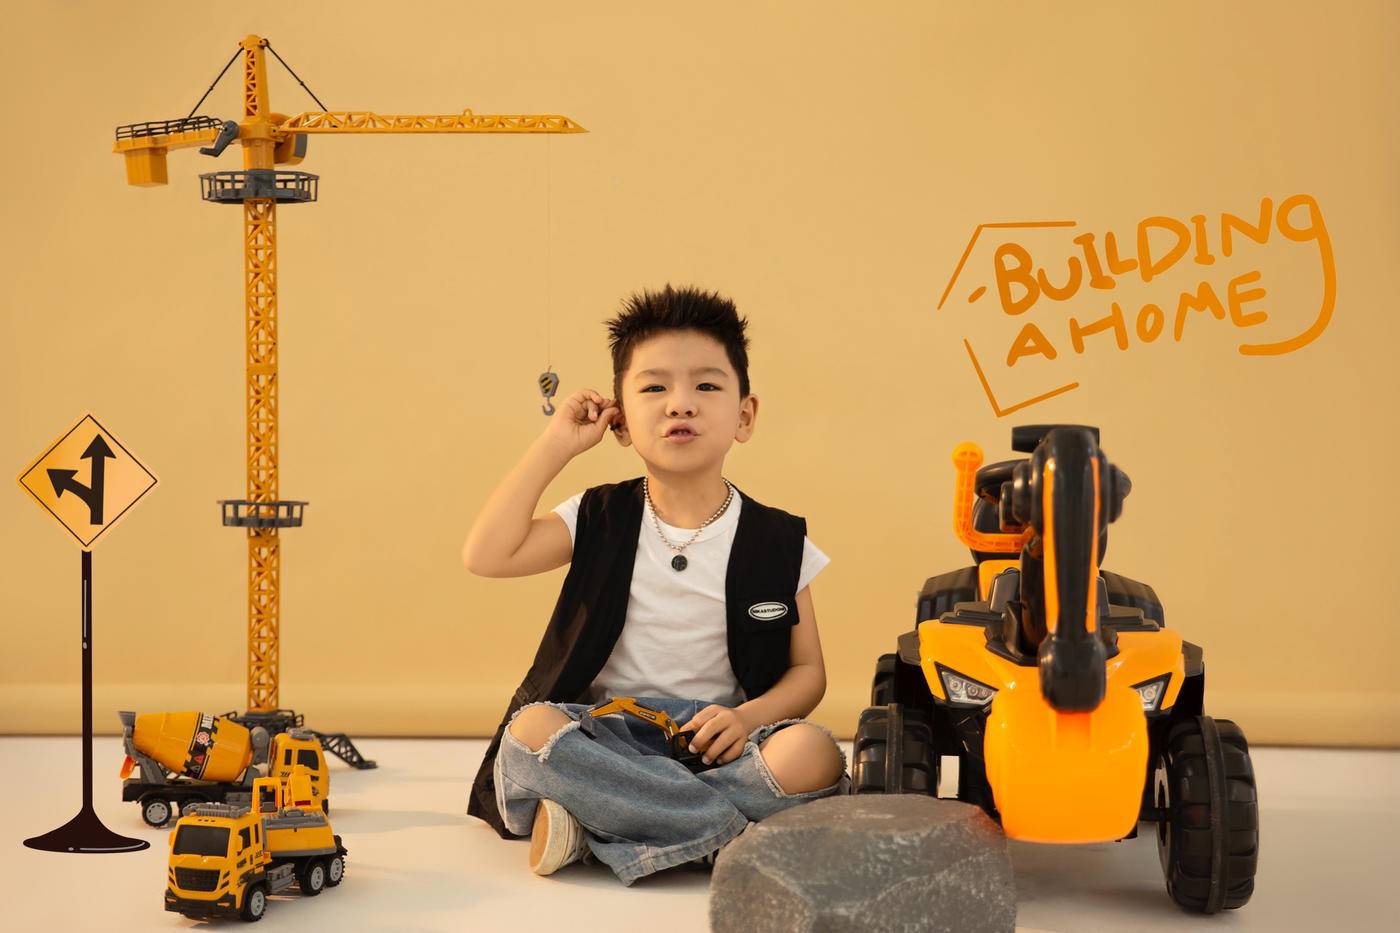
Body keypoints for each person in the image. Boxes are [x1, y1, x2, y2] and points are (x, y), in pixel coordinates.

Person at [462, 284, 847, 885]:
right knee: (531, 733)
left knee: (811, 752)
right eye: (654, 388)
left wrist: (748, 719)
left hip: (723, 747)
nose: (681, 405)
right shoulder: (596, 515)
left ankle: (600, 827)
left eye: (707, 386)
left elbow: (808, 673)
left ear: (744, 415)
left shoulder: (780, 540)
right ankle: (730, 836)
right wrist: (558, 444)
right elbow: (487, 555)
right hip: (606, 739)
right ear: (619, 421)